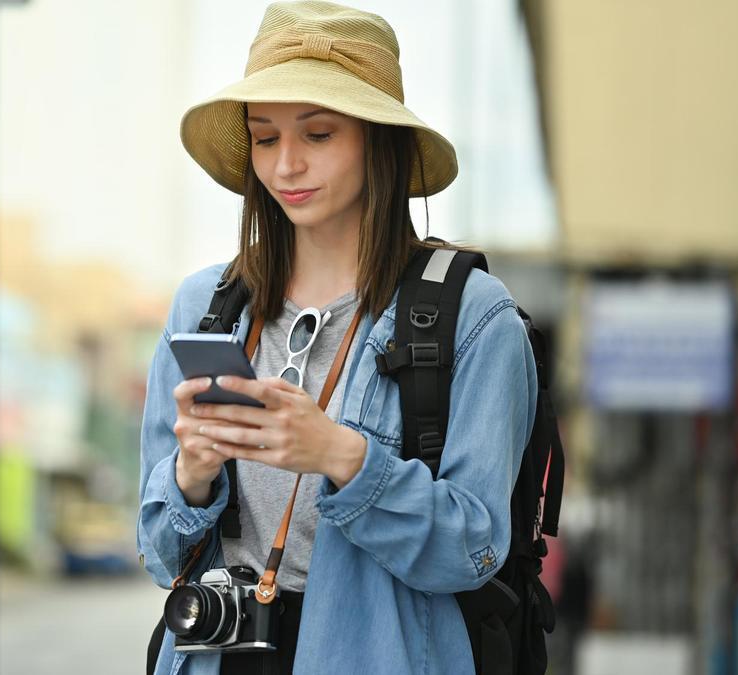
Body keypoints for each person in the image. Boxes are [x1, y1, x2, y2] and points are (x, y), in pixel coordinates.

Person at [136, 2, 538, 674]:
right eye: (265, 138)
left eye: (318, 134)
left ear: (377, 140)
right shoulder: (204, 306)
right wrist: (193, 475)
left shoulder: (472, 316)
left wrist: (346, 458)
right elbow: (157, 550)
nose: (287, 164)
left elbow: (475, 548)